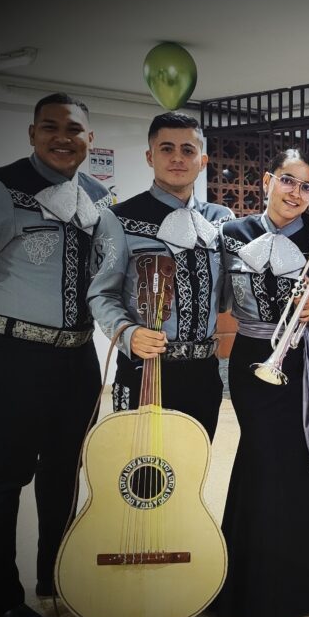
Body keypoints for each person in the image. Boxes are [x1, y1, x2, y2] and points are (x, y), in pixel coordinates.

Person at [0, 93, 111, 617]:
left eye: (74, 129)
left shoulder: (95, 196)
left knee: (65, 468)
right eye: (50, 127)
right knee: (5, 472)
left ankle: (55, 578)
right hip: (11, 354)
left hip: (77, 357)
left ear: (91, 138)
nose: (62, 137)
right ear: (32, 134)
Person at [210, 148, 309, 617]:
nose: (295, 193)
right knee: (264, 462)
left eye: (306, 187)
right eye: (287, 181)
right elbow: (220, 298)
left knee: (305, 462)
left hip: (308, 359)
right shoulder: (232, 234)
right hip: (253, 358)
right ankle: (258, 594)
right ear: (268, 180)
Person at [88, 112, 233, 439]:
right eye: (167, 149)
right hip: (144, 368)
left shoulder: (221, 220)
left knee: (191, 473)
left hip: (203, 371)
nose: (178, 158)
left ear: (203, 159)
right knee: (139, 474)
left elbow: (232, 288)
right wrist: (127, 333)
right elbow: (101, 293)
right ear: (150, 156)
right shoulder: (120, 218)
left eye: (188, 150)